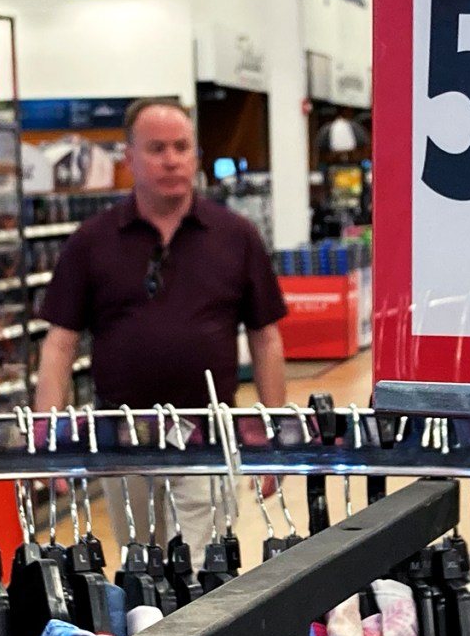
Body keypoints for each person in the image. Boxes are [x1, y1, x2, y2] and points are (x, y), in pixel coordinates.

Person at [37, 99, 289, 551]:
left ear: (196, 155)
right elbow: (59, 344)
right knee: (140, 564)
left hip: (208, 435)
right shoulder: (91, 242)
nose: (171, 159)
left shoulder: (237, 237)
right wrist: (48, 439)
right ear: (129, 157)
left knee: (201, 569)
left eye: (181, 147)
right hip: (122, 439)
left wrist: (275, 438)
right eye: (156, 148)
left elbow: (266, 338)